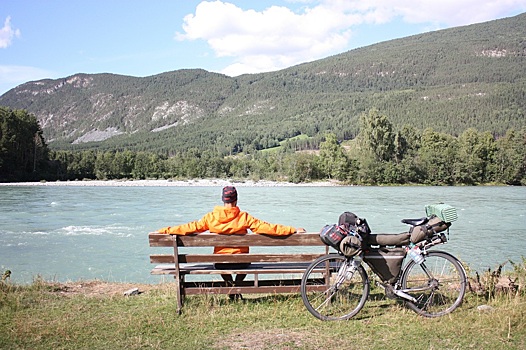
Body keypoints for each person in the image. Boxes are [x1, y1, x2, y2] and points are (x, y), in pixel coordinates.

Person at [157, 186, 306, 300]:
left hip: (220, 263)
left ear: (223, 200)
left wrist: (165, 230)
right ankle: (237, 286)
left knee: (220, 262)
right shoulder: (244, 217)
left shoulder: (211, 217)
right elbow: (268, 228)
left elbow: (189, 227)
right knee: (246, 262)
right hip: (242, 262)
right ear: (236, 200)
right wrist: (292, 229)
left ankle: (230, 287)